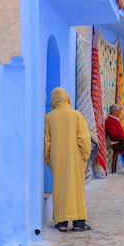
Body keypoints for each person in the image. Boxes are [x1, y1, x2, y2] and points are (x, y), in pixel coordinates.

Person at [45, 87, 92, 232]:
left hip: (57, 157)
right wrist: (85, 156)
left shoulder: (49, 117)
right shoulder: (76, 115)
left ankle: (62, 222)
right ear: (67, 98)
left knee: (60, 187)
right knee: (76, 187)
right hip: (75, 156)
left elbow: (47, 142)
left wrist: (49, 159)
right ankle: (78, 222)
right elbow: (84, 139)